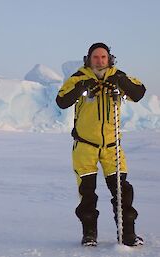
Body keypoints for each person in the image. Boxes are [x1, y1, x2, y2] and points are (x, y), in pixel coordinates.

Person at [55, 43, 146, 246]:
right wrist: (82, 87)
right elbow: (62, 100)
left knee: (122, 191)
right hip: (85, 147)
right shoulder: (78, 78)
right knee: (87, 193)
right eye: (96, 57)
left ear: (109, 58)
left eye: (103, 57)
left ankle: (127, 234)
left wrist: (120, 81)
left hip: (112, 148)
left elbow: (139, 93)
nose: (100, 61)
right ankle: (89, 234)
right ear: (88, 59)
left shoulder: (118, 76)